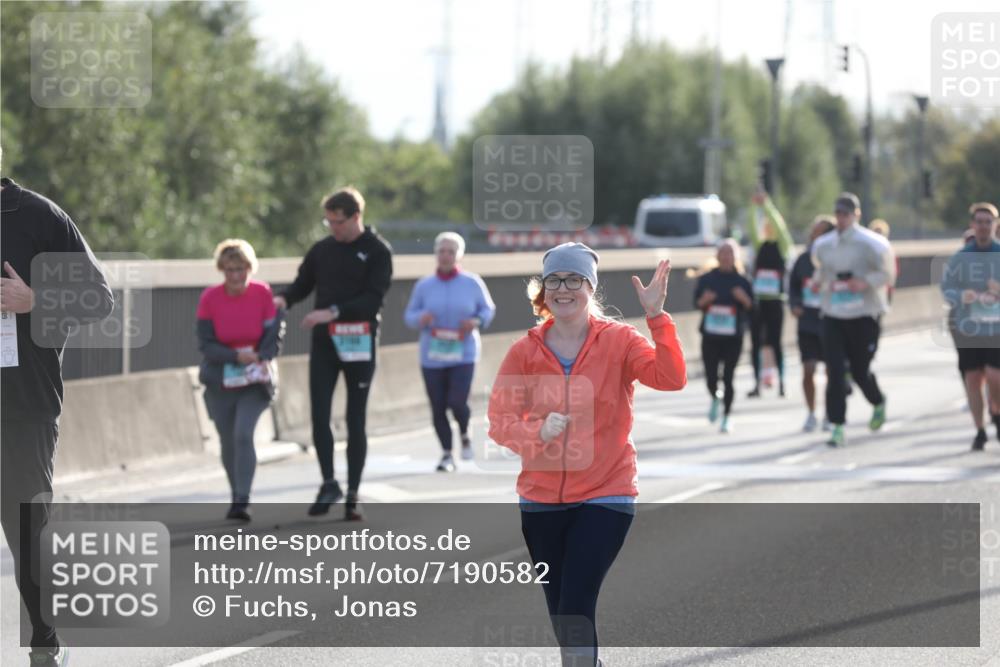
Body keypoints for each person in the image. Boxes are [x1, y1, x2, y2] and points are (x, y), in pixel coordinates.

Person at [488, 243, 686, 667]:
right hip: (540, 499)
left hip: (606, 492)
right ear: (543, 291)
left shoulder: (619, 341)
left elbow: (671, 378)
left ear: (590, 287)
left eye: (574, 280)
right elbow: (499, 421)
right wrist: (536, 432)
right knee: (562, 611)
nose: (563, 289)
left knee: (576, 601)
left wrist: (656, 317)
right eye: (554, 280)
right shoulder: (524, 351)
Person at [1, 175, 114, 666]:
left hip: (23, 404)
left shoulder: (38, 216)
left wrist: (35, 302)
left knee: (25, 528)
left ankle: (46, 643)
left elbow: (99, 299)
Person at [274, 187, 393, 521]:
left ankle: (353, 495)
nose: (332, 228)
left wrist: (333, 312)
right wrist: (283, 299)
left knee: (355, 418)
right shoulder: (323, 250)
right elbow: (302, 284)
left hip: (360, 342)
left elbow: (373, 299)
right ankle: (328, 483)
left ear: (356, 217)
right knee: (319, 415)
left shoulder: (377, 251)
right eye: (328, 222)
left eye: (337, 222)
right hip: (325, 344)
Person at [197, 239, 285, 520]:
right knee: (227, 440)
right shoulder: (210, 298)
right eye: (230, 270)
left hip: (255, 380)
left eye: (241, 269)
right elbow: (206, 344)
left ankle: (243, 499)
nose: (236, 276)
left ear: (250, 268)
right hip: (221, 377)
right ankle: (235, 494)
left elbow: (274, 336)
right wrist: (234, 356)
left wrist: (259, 355)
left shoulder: (262, 293)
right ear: (222, 270)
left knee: (243, 434)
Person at [404, 232, 496, 472]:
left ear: (459, 255)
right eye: (441, 251)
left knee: (456, 401)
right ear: (436, 254)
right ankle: (447, 454)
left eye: (450, 252)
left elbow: (487, 310)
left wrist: (476, 321)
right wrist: (420, 318)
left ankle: (464, 434)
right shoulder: (424, 285)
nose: (445, 256)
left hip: (463, 351)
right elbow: (409, 315)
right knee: (437, 405)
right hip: (432, 354)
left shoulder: (472, 282)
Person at [812, 192, 896, 447]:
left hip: (863, 314)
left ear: (856, 215)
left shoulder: (872, 243)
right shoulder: (824, 244)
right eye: (838, 213)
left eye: (846, 214)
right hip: (834, 314)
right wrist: (818, 283)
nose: (841, 218)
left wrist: (865, 282)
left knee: (860, 371)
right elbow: (821, 270)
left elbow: (887, 274)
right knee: (835, 372)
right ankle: (837, 426)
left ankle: (878, 400)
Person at [941, 202, 1000, 450]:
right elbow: (946, 288)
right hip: (968, 328)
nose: (984, 226)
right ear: (972, 225)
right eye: (980, 221)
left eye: (989, 221)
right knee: (973, 378)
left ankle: (996, 410)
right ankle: (979, 430)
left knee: (995, 376)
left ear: (995, 225)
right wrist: (961, 295)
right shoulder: (960, 257)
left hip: (996, 329)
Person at [693, 239, 753, 433]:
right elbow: (696, 303)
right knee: (711, 376)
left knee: (728, 377)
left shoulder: (743, 281)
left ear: (735, 257)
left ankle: (726, 416)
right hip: (711, 335)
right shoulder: (707, 279)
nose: (726, 257)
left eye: (730, 253)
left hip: (733, 337)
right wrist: (705, 300)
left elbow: (753, 308)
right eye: (723, 253)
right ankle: (715, 396)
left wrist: (744, 299)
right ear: (717, 256)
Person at [788, 216, 836, 432]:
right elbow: (793, 286)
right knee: (808, 370)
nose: (816, 236)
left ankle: (829, 414)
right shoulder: (803, 260)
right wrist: (795, 304)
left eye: (822, 232)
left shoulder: (837, 259)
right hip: (807, 322)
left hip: (831, 321)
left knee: (830, 372)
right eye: (814, 232)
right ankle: (811, 413)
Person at [746, 187, 793, 397]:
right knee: (756, 343)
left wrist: (766, 205)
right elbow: (751, 228)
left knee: (775, 343)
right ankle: (757, 383)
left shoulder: (783, 247)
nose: (768, 229)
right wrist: (753, 205)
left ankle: (782, 381)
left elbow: (781, 229)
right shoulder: (759, 246)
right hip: (758, 302)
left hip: (776, 301)